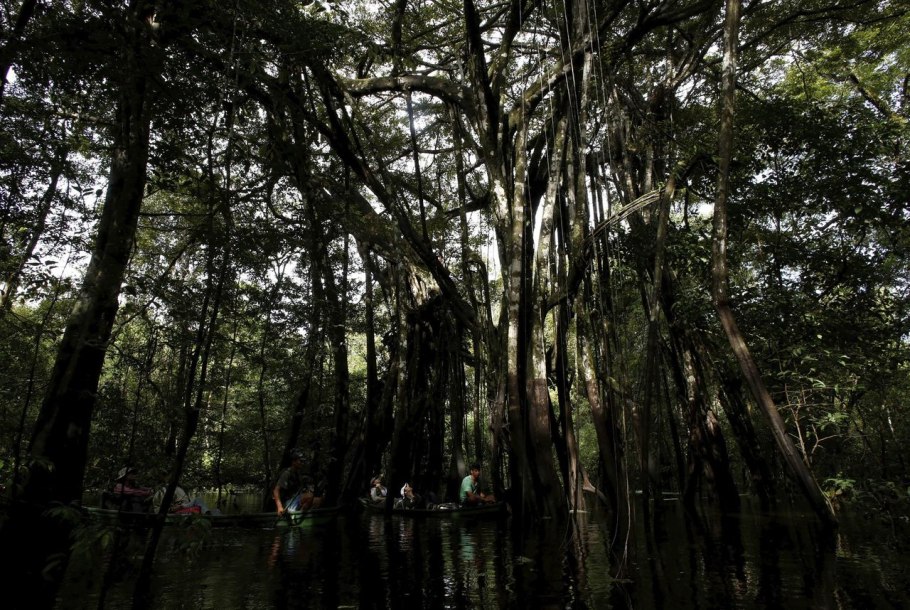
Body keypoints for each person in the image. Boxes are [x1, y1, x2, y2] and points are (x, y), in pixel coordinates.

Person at [273, 448, 323, 515]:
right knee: (309, 496)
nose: (302, 463)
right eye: (300, 461)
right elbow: (276, 490)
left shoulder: (298, 474)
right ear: (294, 462)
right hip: (288, 503)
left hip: (295, 500)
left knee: (318, 500)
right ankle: (297, 516)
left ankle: (303, 515)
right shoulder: (287, 473)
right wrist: (279, 507)